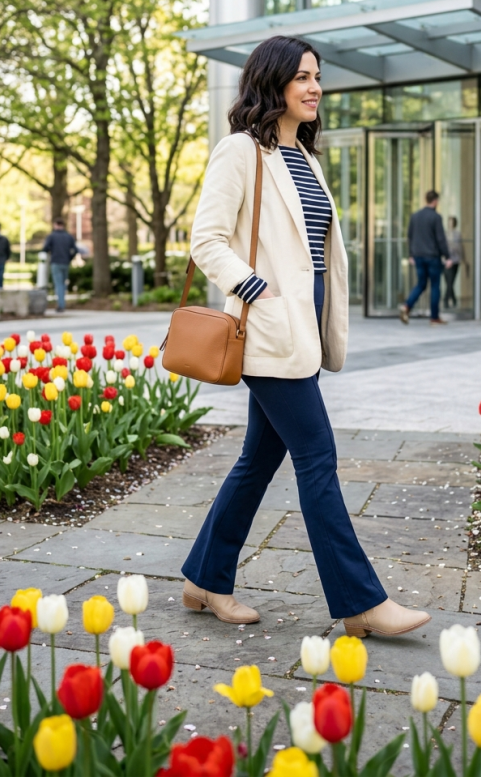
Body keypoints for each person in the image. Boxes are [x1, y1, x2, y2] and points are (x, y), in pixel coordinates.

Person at [180, 35, 430, 639]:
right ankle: (361, 603)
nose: (314, 87)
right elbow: (205, 239)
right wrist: (255, 289)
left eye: (317, 75)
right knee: (317, 457)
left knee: (257, 459)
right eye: (301, 77)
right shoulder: (240, 152)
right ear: (273, 84)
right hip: (268, 330)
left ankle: (203, 579)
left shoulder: (307, 158)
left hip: (304, 334)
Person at [399, 191, 451, 326]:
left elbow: (410, 236)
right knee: (435, 286)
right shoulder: (436, 217)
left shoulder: (415, 216)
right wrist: (448, 256)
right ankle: (434, 318)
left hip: (418, 257)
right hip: (432, 257)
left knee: (421, 284)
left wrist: (411, 254)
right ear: (435, 201)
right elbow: (440, 239)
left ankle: (407, 306)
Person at [42, 218, 77, 313]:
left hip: (56, 262)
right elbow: (75, 250)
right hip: (65, 263)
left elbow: (44, 248)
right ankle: (62, 302)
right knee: (63, 284)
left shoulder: (52, 236)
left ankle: (61, 305)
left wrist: (50, 250)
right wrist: (69, 258)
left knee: (59, 284)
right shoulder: (69, 237)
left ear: (55, 225)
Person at [444, 216, 466, 309]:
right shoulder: (445, 233)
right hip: (446, 260)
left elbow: (460, 247)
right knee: (448, 282)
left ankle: (447, 300)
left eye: (452, 222)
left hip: (455, 260)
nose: (450, 224)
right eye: (449, 222)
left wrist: (464, 259)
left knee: (451, 281)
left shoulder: (457, 234)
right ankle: (452, 299)